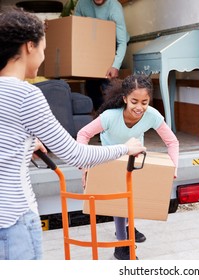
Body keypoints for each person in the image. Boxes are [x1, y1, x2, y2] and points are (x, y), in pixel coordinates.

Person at [0, 8, 146, 260]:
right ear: (29, 46)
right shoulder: (26, 95)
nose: (45, 56)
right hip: (14, 220)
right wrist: (126, 148)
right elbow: (76, 155)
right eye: (44, 48)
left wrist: (24, 143)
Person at [77, 74, 179, 260]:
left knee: (131, 198)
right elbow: (83, 134)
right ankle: (122, 246)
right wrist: (84, 166)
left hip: (134, 159)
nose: (139, 107)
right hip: (111, 160)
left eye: (144, 102)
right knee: (119, 202)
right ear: (124, 98)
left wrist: (174, 167)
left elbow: (172, 142)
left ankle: (124, 227)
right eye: (134, 101)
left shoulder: (152, 116)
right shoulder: (109, 117)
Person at [74, 0, 130, 111]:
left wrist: (115, 66)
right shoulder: (82, 4)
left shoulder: (114, 7)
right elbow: (75, 27)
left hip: (113, 43)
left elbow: (122, 42)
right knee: (91, 84)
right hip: (94, 43)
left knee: (107, 82)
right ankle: (101, 115)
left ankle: (113, 116)